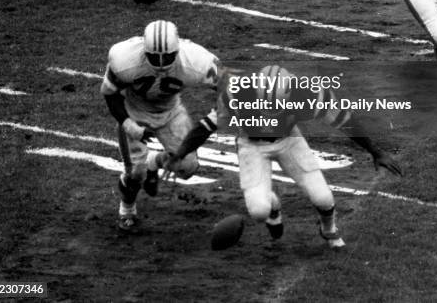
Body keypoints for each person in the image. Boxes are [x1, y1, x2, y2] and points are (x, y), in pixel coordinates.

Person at [166, 64, 402, 248]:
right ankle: (274, 208)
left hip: (289, 140)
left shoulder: (309, 93)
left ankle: (328, 228)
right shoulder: (237, 93)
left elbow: (345, 120)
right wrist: (181, 153)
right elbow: (206, 126)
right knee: (259, 210)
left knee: (323, 198)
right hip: (252, 145)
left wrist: (375, 151)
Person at [100, 19, 220, 231]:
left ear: (178, 50)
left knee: (188, 167)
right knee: (135, 174)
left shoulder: (195, 60)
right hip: (134, 109)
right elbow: (110, 94)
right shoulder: (124, 58)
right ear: (144, 50)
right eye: (155, 57)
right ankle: (127, 209)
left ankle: (154, 162)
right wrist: (128, 124)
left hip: (171, 111)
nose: (162, 63)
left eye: (167, 57)